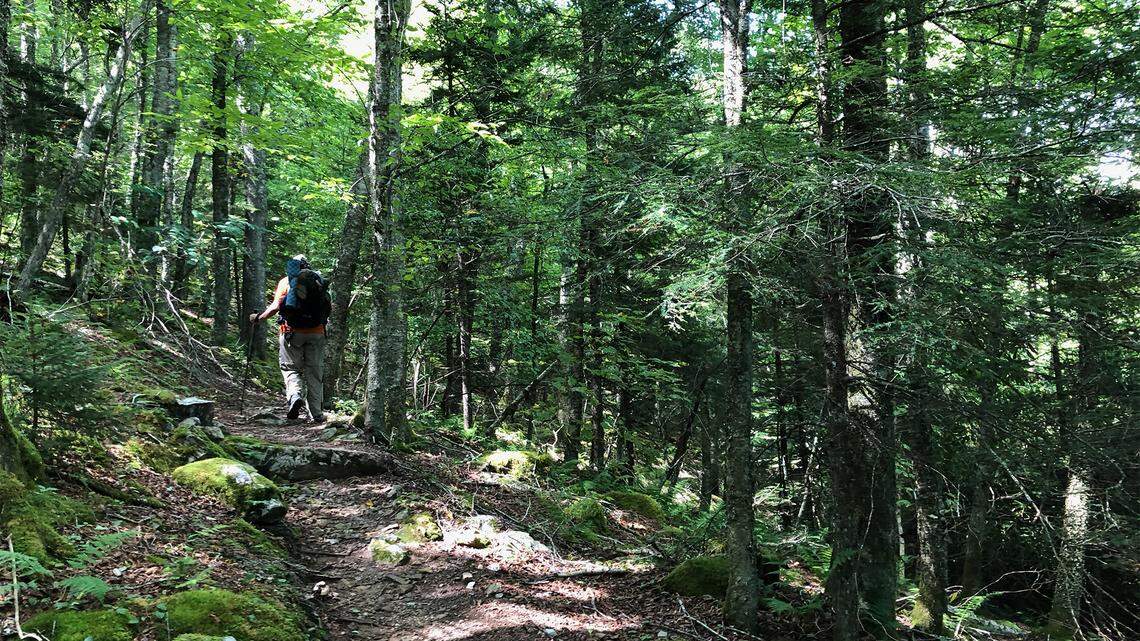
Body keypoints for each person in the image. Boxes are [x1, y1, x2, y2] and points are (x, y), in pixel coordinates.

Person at [250, 255, 331, 423]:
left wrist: (258, 318)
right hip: (316, 333)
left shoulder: (286, 282)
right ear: (307, 266)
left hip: (291, 332)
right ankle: (316, 413)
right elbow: (327, 309)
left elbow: (275, 307)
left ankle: (295, 396)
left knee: (290, 368)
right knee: (314, 373)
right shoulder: (318, 282)